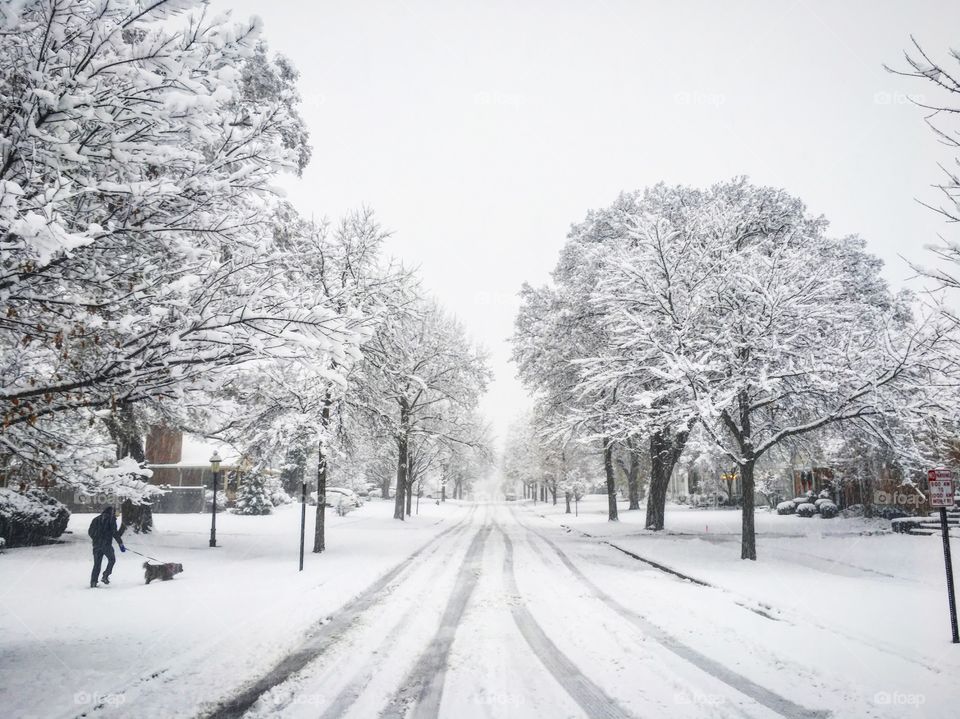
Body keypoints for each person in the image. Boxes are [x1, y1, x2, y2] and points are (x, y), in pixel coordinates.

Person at [88, 506, 125, 588]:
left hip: (96, 546)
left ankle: (93, 582)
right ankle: (105, 575)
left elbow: (90, 532)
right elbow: (114, 533)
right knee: (112, 560)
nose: (117, 514)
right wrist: (120, 544)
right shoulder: (111, 520)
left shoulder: (96, 519)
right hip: (106, 545)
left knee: (97, 564)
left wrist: (96, 539)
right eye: (116, 512)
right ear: (112, 512)